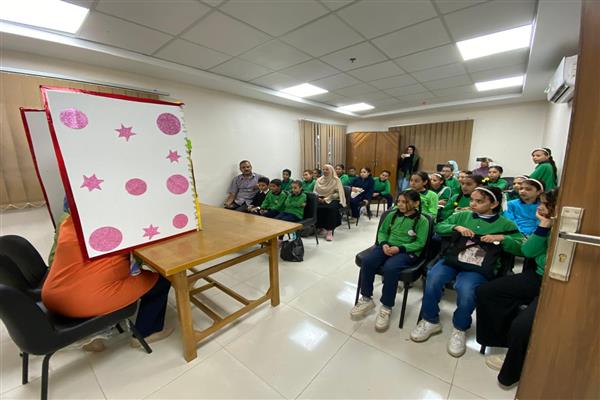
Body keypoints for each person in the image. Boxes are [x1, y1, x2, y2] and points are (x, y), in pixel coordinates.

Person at [410, 186, 524, 357]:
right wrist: (456, 227)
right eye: (472, 200)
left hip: (478, 267)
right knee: (433, 276)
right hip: (454, 259)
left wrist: (502, 238)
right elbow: (439, 227)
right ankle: (430, 319)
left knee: (466, 289)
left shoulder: (506, 224)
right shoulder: (462, 216)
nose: (473, 204)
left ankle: (460, 328)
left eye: (479, 201)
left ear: (494, 204)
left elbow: (521, 247)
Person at [42, 215, 172, 351]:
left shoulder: (69, 221)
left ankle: (91, 335)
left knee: (98, 276)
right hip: (83, 301)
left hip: (51, 296)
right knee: (160, 282)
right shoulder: (120, 225)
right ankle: (148, 332)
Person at [476, 188, 558, 386]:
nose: (540, 207)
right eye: (541, 203)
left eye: (546, 204)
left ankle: (511, 372)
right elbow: (528, 251)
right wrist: (543, 226)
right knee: (486, 291)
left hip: (555, 284)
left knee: (522, 326)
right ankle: (502, 341)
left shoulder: (563, 230)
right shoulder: (546, 225)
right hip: (538, 276)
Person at [350, 190, 429, 331]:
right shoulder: (392, 215)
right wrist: (384, 243)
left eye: (405, 202)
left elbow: (420, 243)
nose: (400, 204)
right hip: (387, 247)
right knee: (368, 262)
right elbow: (382, 232)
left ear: (416, 203)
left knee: (390, 268)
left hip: (407, 251)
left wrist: (400, 248)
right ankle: (366, 298)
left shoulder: (422, 221)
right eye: (399, 201)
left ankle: (386, 307)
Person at [314, 164, 347, 242]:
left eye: (327, 169)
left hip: (333, 199)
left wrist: (326, 199)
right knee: (315, 207)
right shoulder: (319, 180)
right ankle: (320, 227)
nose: (325, 171)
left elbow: (337, 194)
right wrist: (317, 197)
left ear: (331, 170)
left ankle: (329, 230)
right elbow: (315, 191)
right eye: (323, 169)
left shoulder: (336, 180)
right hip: (320, 198)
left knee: (330, 208)